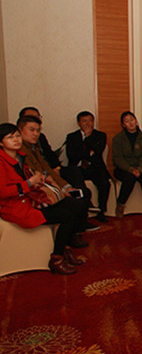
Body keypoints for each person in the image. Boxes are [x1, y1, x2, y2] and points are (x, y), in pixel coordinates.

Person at [0, 123, 88, 275]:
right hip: (15, 208)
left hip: (31, 201)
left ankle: (65, 247)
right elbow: (3, 192)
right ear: (1, 142)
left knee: (75, 205)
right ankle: (57, 258)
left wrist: (36, 181)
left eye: (17, 136)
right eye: (10, 137)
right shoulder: (2, 162)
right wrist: (29, 183)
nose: (16, 140)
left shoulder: (20, 157)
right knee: (68, 215)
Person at [19, 116, 95, 234]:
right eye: (32, 130)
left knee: (82, 191)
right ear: (20, 130)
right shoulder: (20, 151)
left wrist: (65, 187)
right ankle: (75, 233)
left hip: (49, 187)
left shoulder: (33, 147)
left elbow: (48, 169)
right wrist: (61, 190)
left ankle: (78, 230)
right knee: (77, 204)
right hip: (38, 195)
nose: (36, 134)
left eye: (38, 130)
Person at [65, 111, 111, 222]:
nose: (88, 123)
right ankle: (83, 212)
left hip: (95, 167)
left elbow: (97, 152)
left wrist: (87, 138)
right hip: (78, 168)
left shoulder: (100, 136)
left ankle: (101, 211)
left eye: (90, 120)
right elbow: (72, 156)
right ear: (78, 123)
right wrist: (88, 152)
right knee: (78, 184)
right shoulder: (71, 137)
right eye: (84, 121)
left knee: (105, 183)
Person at [112, 111, 142, 217]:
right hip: (123, 169)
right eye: (127, 121)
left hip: (140, 167)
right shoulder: (118, 138)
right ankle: (121, 204)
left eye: (132, 120)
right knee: (129, 178)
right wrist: (131, 169)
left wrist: (139, 169)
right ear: (123, 125)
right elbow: (117, 158)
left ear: (136, 121)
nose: (131, 123)